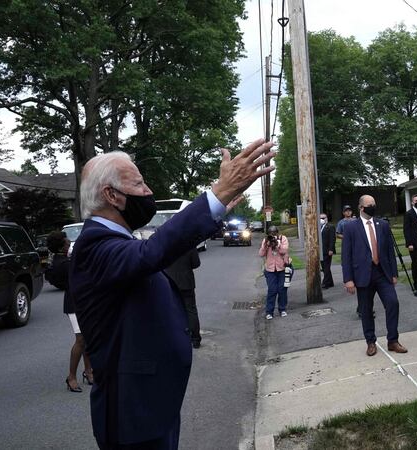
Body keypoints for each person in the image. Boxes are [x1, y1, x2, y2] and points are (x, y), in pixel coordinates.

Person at [70, 138, 274, 450]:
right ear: (112, 195)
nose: (148, 191)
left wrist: (216, 208)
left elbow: (165, 242)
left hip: (153, 406)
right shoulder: (94, 246)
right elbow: (155, 251)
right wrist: (219, 192)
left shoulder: (114, 239)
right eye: (138, 183)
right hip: (132, 418)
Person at [342, 195, 407, 356]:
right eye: (370, 205)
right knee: (366, 310)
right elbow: (346, 255)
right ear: (361, 208)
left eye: (374, 204)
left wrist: (393, 273)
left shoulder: (383, 225)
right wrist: (348, 279)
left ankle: (393, 340)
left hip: (382, 273)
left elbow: (389, 252)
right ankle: (370, 342)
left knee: (393, 303)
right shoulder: (351, 228)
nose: (373, 207)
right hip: (363, 275)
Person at [46, 230, 94, 393]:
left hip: (81, 302)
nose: (69, 244)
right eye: (67, 242)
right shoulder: (64, 264)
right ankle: (71, 377)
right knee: (80, 340)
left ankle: (88, 372)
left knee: (87, 338)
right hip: (75, 305)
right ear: (61, 246)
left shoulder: (64, 260)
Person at [163, 248, 202, 349]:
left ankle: (174, 338)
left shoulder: (167, 243)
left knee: (172, 311)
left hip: (169, 282)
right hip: (186, 282)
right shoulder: (189, 244)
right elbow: (196, 263)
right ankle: (195, 339)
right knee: (191, 310)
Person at [259, 225, 290, 319]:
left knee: (282, 290)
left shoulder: (283, 238)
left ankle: (282, 309)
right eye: (271, 233)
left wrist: (277, 244)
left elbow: (284, 251)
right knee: (272, 290)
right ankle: (269, 312)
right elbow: (261, 254)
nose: (273, 235)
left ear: (277, 232)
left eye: (274, 233)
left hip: (282, 268)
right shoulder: (266, 240)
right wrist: (265, 245)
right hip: (270, 270)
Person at [320, 213, 335, 289]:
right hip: (321, 251)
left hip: (327, 250)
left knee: (326, 267)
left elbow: (332, 239)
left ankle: (325, 282)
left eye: (323, 218)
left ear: (327, 218)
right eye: (321, 218)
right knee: (324, 267)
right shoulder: (319, 228)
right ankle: (330, 282)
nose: (322, 219)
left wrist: (331, 249)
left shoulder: (330, 227)